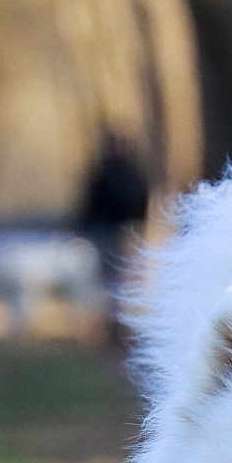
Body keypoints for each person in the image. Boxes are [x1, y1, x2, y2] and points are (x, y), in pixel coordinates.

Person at [77, 127, 149, 347]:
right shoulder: (131, 172)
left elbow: (89, 203)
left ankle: (113, 326)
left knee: (110, 280)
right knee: (117, 280)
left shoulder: (105, 173)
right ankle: (115, 325)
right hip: (122, 231)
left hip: (109, 232)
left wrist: (85, 227)